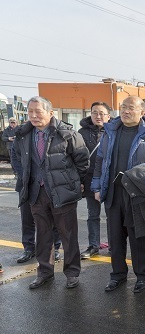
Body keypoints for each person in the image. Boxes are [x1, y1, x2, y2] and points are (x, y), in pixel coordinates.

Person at [91, 96, 145, 294]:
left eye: (131, 108)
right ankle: (117, 275)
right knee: (115, 239)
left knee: (139, 238)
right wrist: (97, 187)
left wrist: (140, 176)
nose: (126, 111)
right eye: (123, 107)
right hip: (113, 194)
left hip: (138, 195)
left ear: (142, 112)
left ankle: (142, 276)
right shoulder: (110, 132)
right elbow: (100, 161)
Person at [12, 96, 89, 289]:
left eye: (38, 111)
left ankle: (72, 273)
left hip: (62, 193)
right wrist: (24, 176)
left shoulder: (66, 133)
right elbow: (16, 157)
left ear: (50, 113)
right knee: (43, 235)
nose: (34, 116)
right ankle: (45, 272)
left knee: (68, 234)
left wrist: (74, 182)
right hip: (36, 193)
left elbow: (82, 160)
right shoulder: (23, 134)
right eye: (30, 112)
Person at [78, 102, 112, 259]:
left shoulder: (115, 131)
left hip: (111, 180)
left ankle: (114, 244)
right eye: (95, 113)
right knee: (93, 214)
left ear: (108, 116)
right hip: (91, 180)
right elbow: (77, 158)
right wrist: (80, 180)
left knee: (113, 215)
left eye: (102, 113)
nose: (98, 116)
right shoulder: (81, 133)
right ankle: (93, 245)